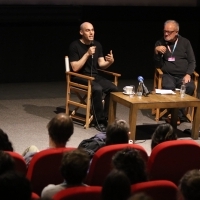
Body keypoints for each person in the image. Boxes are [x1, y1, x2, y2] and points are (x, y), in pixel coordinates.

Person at [68, 21, 119, 132]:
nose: (91, 33)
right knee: (97, 89)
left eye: (92, 30)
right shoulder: (74, 46)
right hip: (78, 76)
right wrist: (87, 54)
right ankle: (99, 121)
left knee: (114, 89)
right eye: (88, 30)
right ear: (81, 32)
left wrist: (110, 62)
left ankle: (106, 118)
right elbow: (75, 68)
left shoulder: (97, 45)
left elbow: (101, 64)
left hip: (94, 76)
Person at [154, 20, 196, 124]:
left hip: (183, 75)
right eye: (165, 31)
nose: (166, 34)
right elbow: (157, 65)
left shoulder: (185, 42)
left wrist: (188, 74)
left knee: (190, 87)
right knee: (168, 87)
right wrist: (156, 52)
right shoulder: (160, 43)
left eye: (169, 31)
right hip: (168, 75)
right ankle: (176, 115)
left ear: (176, 32)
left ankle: (175, 114)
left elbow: (192, 61)